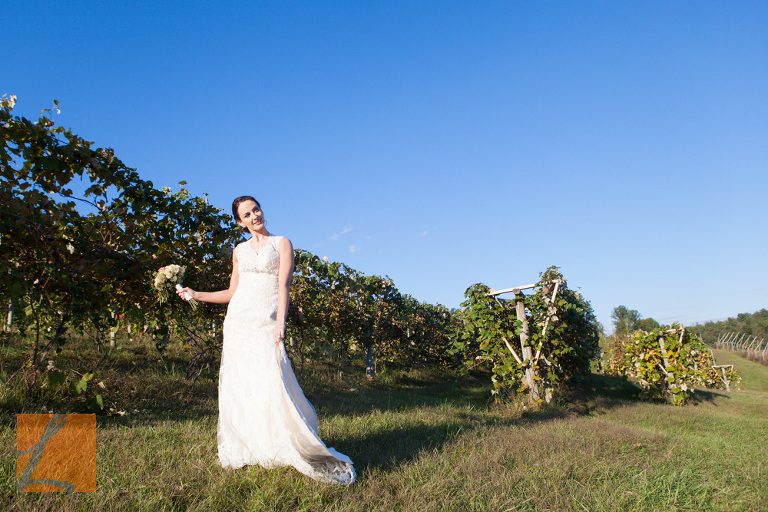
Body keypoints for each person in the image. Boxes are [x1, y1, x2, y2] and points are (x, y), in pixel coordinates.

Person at [176, 196, 355, 485]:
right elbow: (231, 292)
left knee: (272, 379)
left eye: (256, 209)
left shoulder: (281, 243)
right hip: (238, 322)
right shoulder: (239, 250)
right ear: (240, 222)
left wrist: (280, 323)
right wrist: (196, 294)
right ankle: (249, 445)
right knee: (242, 384)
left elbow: (283, 285)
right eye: (246, 214)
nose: (254, 216)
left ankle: (280, 442)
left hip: (266, 322)